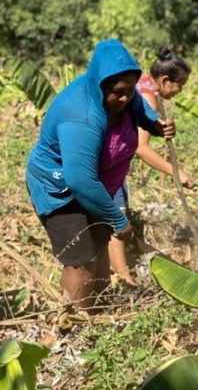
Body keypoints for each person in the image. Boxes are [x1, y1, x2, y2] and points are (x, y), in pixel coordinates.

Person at [25, 39, 176, 310]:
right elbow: (80, 180)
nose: (124, 98)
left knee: (100, 241)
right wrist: (119, 220)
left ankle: (101, 311)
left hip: (97, 184)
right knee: (80, 257)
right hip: (60, 187)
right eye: (117, 92)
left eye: (129, 90)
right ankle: (78, 323)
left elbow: (139, 107)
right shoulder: (80, 116)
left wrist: (155, 124)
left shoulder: (124, 97)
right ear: (99, 84)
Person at [107, 48, 193, 286]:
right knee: (117, 219)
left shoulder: (142, 85)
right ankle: (124, 279)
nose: (180, 91)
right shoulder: (147, 95)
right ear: (166, 80)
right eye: (180, 85)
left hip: (112, 161)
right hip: (109, 163)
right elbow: (140, 148)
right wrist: (176, 173)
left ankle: (123, 273)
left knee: (117, 217)